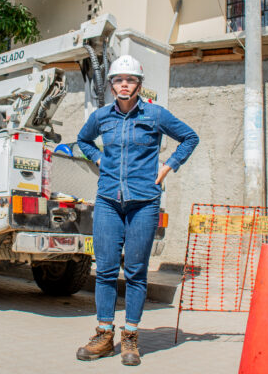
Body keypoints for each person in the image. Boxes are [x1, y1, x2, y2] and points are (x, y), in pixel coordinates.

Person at [75, 55, 198, 366]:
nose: (124, 84)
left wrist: (168, 167)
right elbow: (83, 140)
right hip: (108, 201)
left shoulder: (155, 115)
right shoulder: (102, 117)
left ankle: (130, 336)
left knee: (136, 271)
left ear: (139, 85)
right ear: (111, 86)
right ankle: (104, 335)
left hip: (143, 202)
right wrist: (99, 159)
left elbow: (189, 137)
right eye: (118, 80)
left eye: (130, 80)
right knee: (105, 270)